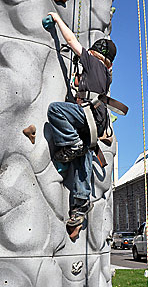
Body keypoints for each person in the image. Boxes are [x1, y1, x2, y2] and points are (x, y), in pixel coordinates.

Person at [46, 13, 116, 237]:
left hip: (88, 112)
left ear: (95, 53)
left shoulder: (91, 60)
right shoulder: (106, 73)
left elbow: (71, 42)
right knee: (82, 160)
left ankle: (71, 143)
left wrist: (58, 19)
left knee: (55, 110)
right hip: (97, 119)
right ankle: (80, 204)